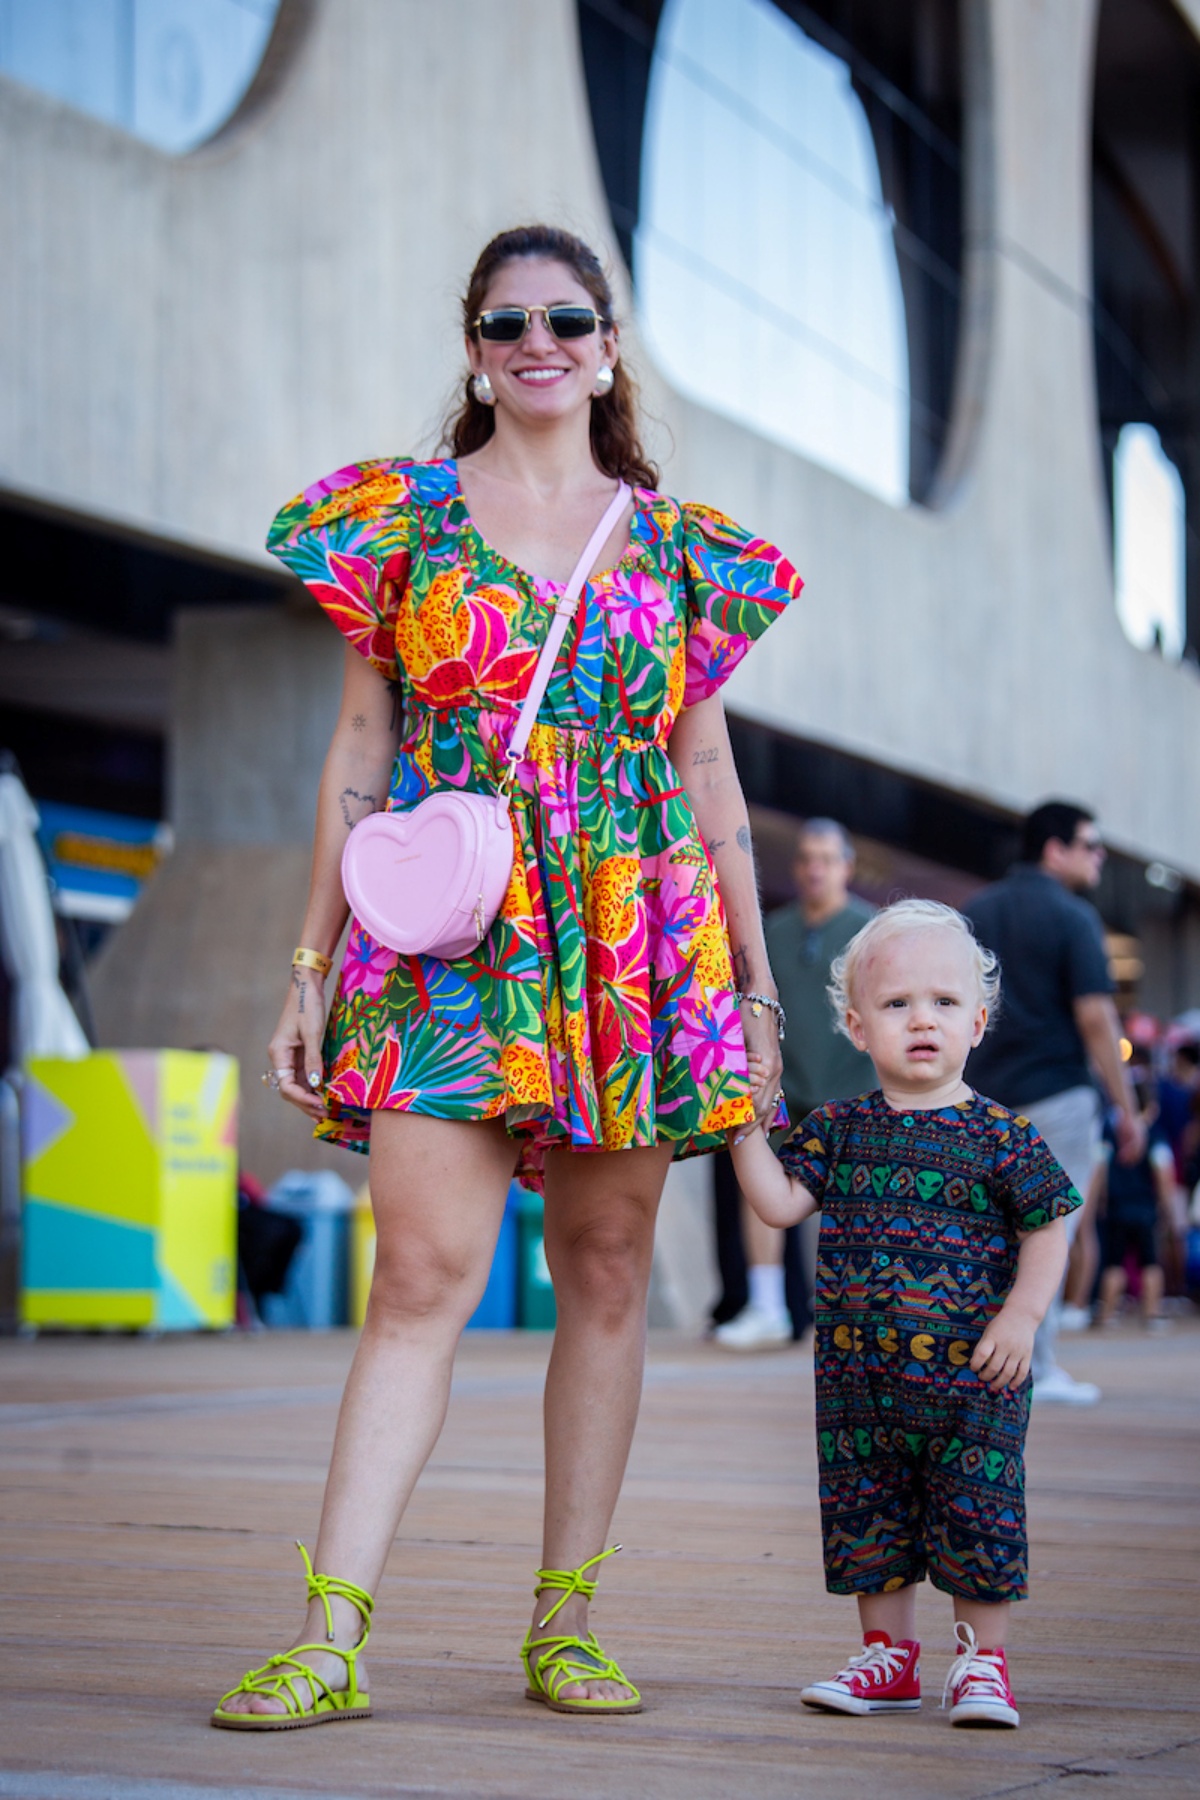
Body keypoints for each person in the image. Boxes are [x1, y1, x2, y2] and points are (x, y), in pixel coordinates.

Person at [209, 225, 798, 1728]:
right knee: (418, 1279)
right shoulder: (398, 521)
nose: (540, 340)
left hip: (629, 935)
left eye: (568, 317)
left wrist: (754, 993)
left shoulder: (681, 547)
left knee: (607, 1277)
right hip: (451, 934)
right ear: (475, 346)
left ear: (609, 346)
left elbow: (708, 773)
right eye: (507, 319)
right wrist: (308, 966)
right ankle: (330, 1639)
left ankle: (567, 1623)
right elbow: (359, 750)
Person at [729, 900, 1080, 1729]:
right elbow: (779, 1205)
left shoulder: (1003, 1136)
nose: (922, 1020)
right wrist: (742, 1125)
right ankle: (888, 1659)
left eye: (944, 1003)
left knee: (976, 1511)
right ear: (856, 1027)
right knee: (866, 1511)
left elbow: (1050, 1220)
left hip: (973, 1383)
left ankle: (981, 1663)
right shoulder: (840, 1130)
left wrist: (1023, 1318)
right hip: (859, 1384)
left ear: (979, 1021)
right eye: (896, 1005)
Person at [965, 801, 1145, 1405]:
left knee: (987, 1236)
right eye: (1090, 845)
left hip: (986, 1098)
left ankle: (984, 1362)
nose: (1099, 857)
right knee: (1049, 1231)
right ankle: (1032, 1367)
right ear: (1054, 848)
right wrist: (1126, 1107)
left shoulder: (974, 911)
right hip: (1058, 1095)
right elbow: (1096, 1015)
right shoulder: (1074, 916)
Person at [713, 820, 874, 1349]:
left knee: (855, 1207)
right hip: (783, 1085)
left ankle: (862, 1315)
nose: (815, 868)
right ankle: (767, 1306)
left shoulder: (869, 932)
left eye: (827, 858)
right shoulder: (773, 932)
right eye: (806, 858)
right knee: (760, 1189)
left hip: (851, 1088)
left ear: (847, 867)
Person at [1095, 1079, 1174, 1331]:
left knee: (1113, 1262)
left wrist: (1102, 1199)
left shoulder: (1111, 1132)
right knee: (1150, 1262)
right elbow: (1163, 1173)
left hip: (1117, 1207)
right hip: (1145, 1207)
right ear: (1150, 1106)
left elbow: (1102, 1168)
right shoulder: (1155, 1135)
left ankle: (1106, 1314)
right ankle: (1152, 1314)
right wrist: (1165, 1205)